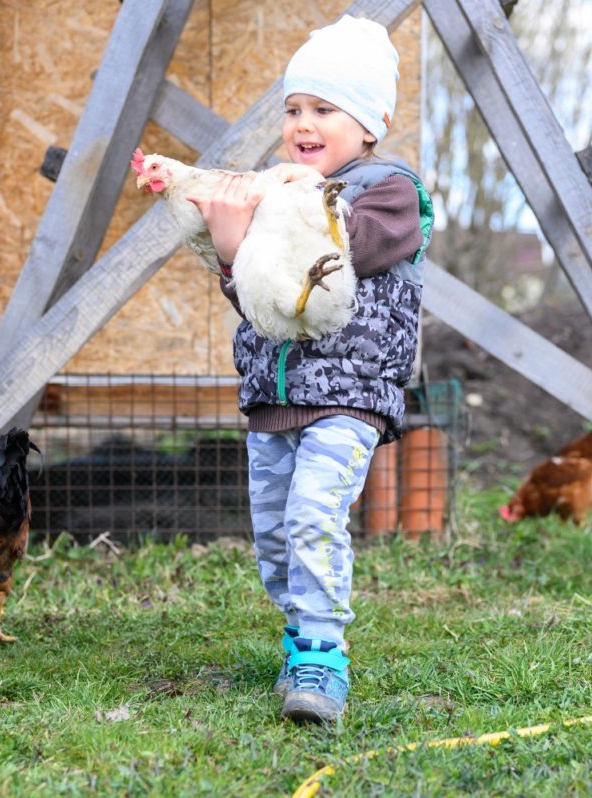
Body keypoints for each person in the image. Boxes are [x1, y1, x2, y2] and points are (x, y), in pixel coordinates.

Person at [188, 15, 432, 725]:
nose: (302, 122)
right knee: (273, 537)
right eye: (293, 109)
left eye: (324, 109)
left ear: (370, 123)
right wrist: (233, 249)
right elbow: (266, 300)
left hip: (349, 398)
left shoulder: (389, 192)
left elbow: (336, 250)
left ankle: (324, 660)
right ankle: (300, 640)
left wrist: (274, 203)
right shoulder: (286, 190)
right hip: (275, 399)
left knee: (313, 517)